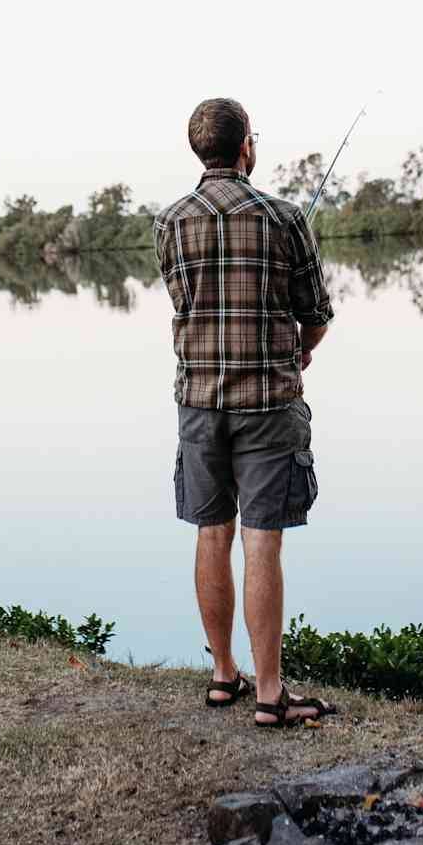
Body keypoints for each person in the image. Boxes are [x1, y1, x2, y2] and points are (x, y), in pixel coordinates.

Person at [154, 98, 337, 727]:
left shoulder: (170, 223)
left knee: (213, 533)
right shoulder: (285, 218)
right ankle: (268, 693)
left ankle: (221, 675)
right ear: (245, 149)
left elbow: (185, 303)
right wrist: (300, 352)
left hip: (199, 402)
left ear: (199, 150)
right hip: (269, 403)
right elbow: (316, 314)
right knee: (262, 541)